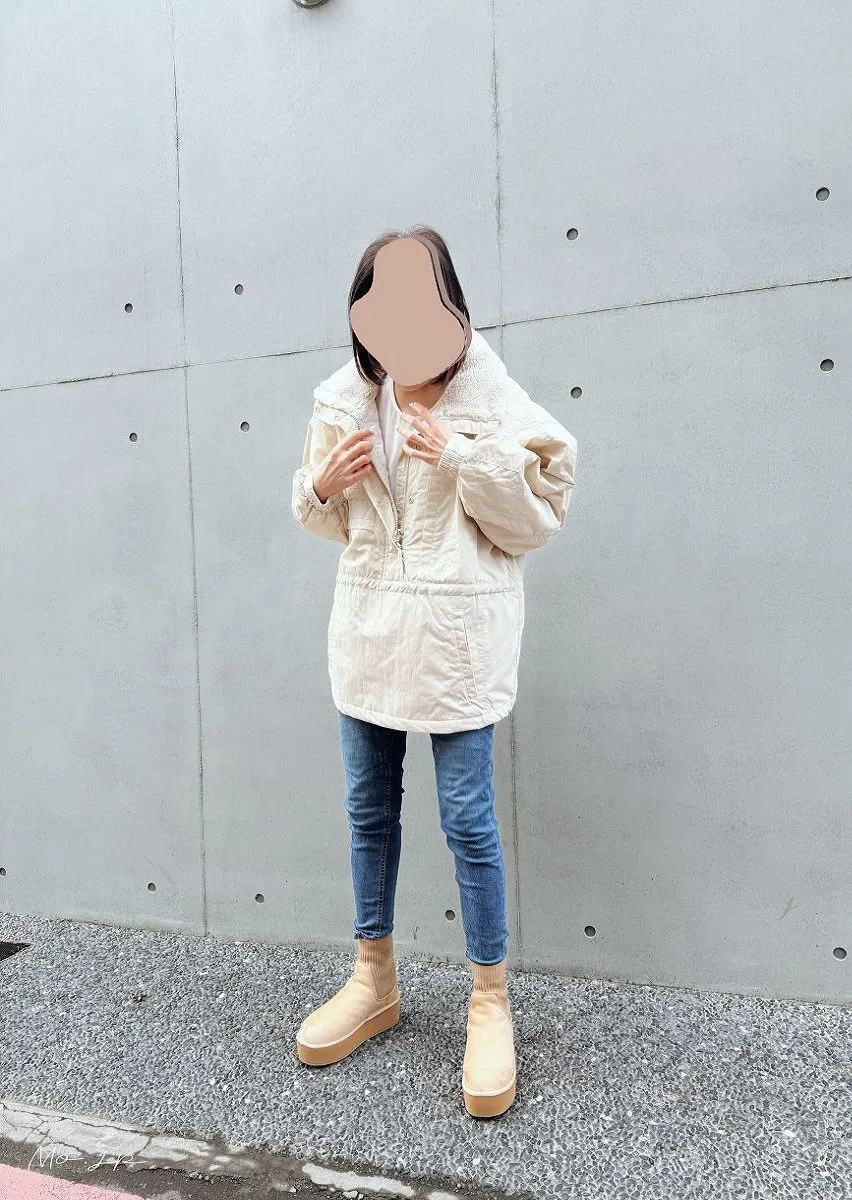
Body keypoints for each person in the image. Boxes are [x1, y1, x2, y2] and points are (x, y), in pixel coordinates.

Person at [290, 225, 578, 1118]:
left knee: (467, 820)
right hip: (370, 628)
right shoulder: (344, 398)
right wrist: (323, 486)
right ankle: (372, 977)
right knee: (367, 812)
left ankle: (488, 1001)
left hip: (455, 639)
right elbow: (321, 516)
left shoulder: (494, 400)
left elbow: (535, 521)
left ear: (449, 303)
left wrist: (461, 456)